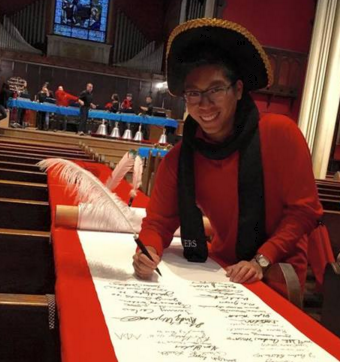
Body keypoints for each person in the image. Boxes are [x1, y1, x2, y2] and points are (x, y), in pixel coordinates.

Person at [132, 18, 323, 297]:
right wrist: (147, 250)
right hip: (219, 270)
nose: (204, 103)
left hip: (277, 272)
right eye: (194, 93)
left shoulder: (280, 134)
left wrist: (261, 259)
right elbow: (159, 223)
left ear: (238, 90)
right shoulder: (180, 159)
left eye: (215, 89)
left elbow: (305, 212)